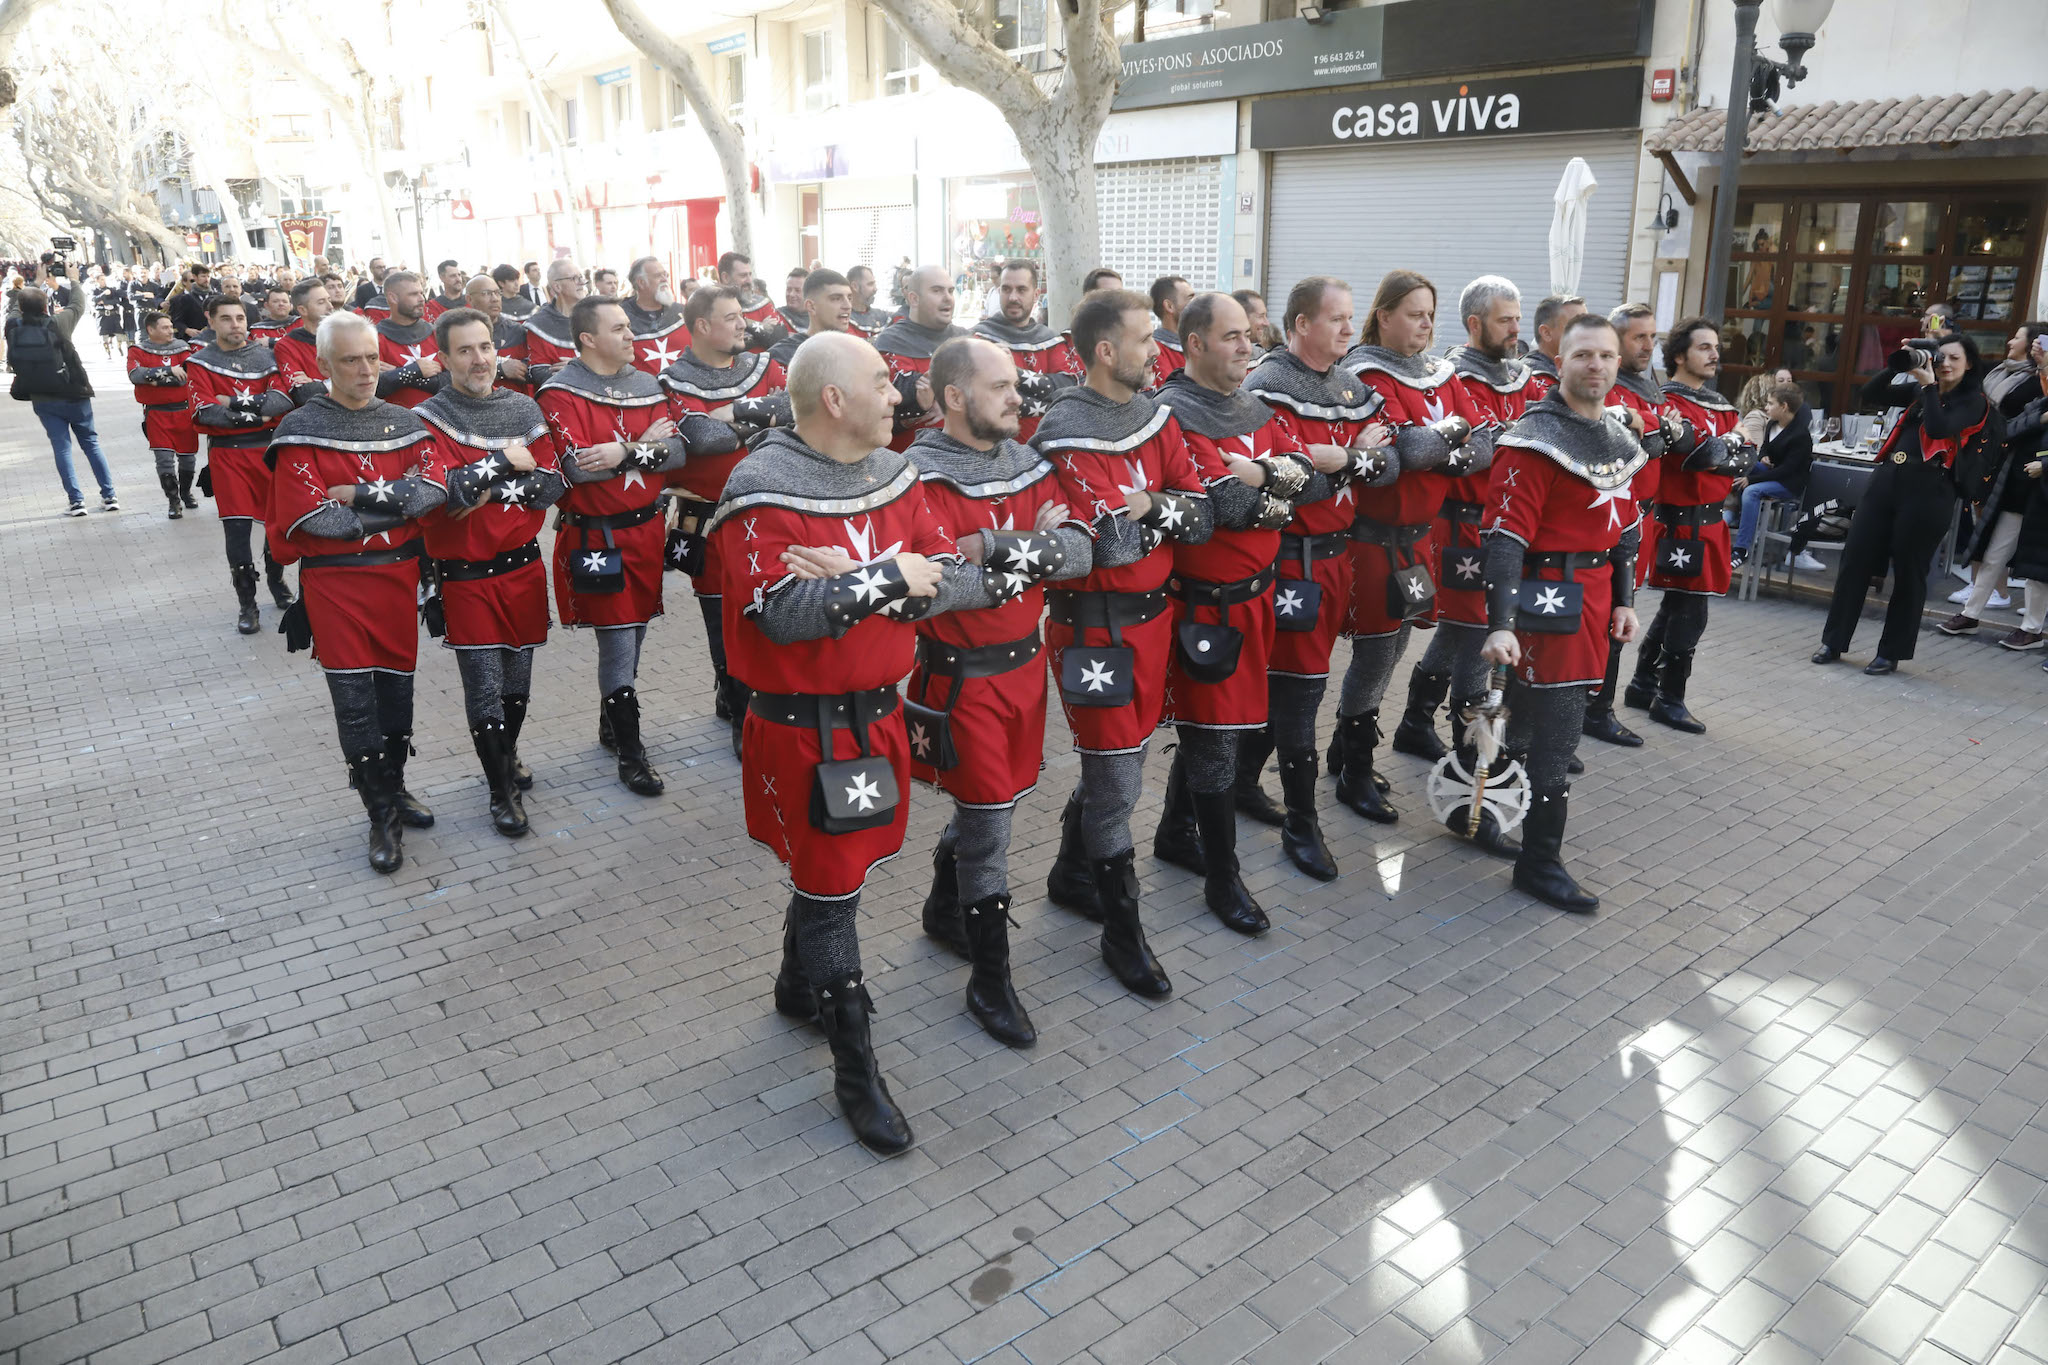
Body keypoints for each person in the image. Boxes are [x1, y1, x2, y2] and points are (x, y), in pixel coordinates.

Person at [708, 331, 990, 1152]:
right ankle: (855, 1066)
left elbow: (951, 577)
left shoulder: (896, 473)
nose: (899, 396)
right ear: (834, 399)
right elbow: (783, 614)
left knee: (836, 877)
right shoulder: (759, 487)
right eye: (880, 383)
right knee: (833, 886)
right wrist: (886, 577)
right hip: (803, 730)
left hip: (877, 714)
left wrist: (865, 582)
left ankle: (798, 984)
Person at [906, 336, 1090, 1044]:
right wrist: (1029, 549)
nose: (1020, 396)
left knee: (999, 803)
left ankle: (942, 905)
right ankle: (990, 980)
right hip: (963, 678)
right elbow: (938, 586)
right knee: (991, 827)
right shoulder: (917, 475)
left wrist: (996, 545)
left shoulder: (1029, 460)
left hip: (1024, 668)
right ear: (955, 398)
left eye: (1017, 384)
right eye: (1002, 386)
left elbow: (1079, 550)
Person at [1034, 288, 1212, 999]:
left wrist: (1150, 509)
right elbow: (1100, 550)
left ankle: (1071, 874)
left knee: (1126, 759)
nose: (1158, 351)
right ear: (1106, 351)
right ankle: (1122, 927)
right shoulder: (1059, 432)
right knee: (1116, 777)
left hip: (1154, 619)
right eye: (1145, 339)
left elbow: (1198, 514)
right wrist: (1146, 519)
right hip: (1093, 627)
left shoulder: (1158, 417)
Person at [1153, 294, 1328, 933]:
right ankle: (1224, 878)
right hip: (1206, 607)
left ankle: (1175, 831)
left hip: (1257, 596)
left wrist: (1259, 473)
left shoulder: (1251, 407)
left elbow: (1315, 480)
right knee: (1216, 736)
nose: (1247, 348)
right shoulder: (1173, 413)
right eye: (1231, 337)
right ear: (1194, 342)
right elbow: (1222, 507)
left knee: (1218, 729)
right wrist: (1276, 478)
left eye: (1248, 335)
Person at [1479, 313, 1648, 912]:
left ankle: (1487, 815)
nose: (1595, 365)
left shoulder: (1622, 440)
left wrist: (1626, 601)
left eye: (1605, 355)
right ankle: (1540, 863)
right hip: (1545, 601)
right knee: (1554, 734)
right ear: (1559, 362)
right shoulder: (1534, 439)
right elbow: (1504, 537)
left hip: (1597, 600)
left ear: (1617, 363)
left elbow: (1625, 531)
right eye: (1583, 355)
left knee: (1530, 724)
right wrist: (1500, 622)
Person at [266, 311, 445, 873]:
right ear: (322, 365)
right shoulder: (299, 431)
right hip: (337, 584)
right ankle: (379, 814)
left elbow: (433, 492)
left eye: (373, 357)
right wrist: (394, 498)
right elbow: (315, 521)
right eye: (350, 360)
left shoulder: (406, 421)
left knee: (397, 696)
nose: (367, 370)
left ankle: (394, 786)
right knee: (355, 704)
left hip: (398, 579)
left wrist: (361, 494)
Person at [1238, 276, 1393, 880]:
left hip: (1336, 556)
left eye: (1352, 319)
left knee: (1300, 686)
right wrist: (1347, 460)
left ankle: (1243, 784)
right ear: (1301, 324)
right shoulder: (1266, 386)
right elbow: (1287, 479)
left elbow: (1388, 463)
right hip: (1287, 557)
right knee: (1299, 693)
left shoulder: (1351, 385)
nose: (1350, 331)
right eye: (1337, 320)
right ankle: (1302, 825)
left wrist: (1346, 460)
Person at [1331, 270, 1479, 823]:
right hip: (1370, 541)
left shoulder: (1439, 373)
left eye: (1430, 314)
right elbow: (1405, 450)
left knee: (1396, 648)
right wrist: (1453, 435)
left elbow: (1481, 442)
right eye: (1414, 313)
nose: (1425, 324)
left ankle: (1345, 749)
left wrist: (1446, 441)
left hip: (1417, 542)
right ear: (1385, 314)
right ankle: (1353, 770)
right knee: (1373, 653)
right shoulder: (1363, 375)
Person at [418, 307, 567, 835]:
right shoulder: (427, 418)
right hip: (464, 575)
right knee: (484, 689)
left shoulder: (523, 408)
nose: (480, 359)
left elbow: (551, 486)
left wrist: (480, 484)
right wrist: (507, 462)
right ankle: (500, 790)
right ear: (443, 359)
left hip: (522, 569)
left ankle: (508, 753)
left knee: (516, 687)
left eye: (485, 347)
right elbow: (443, 495)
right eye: (465, 350)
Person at [1391, 277, 1528, 836]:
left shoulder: (1522, 376)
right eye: (1505, 320)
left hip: (1501, 525)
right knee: (1472, 632)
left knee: (1459, 629)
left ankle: (1414, 720)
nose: (1515, 330)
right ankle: (1472, 754)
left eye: (1518, 319)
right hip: (1463, 527)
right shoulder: (1454, 375)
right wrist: (1486, 443)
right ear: (1474, 324)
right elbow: (1468, 449)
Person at [537, 295, 689, 793]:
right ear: (588, 338)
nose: (632, 336)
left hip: (646, 531)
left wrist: (626, 449)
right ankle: (631, 752)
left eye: (630, 328)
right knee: (619, 641)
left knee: (636, 632)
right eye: (620, 328)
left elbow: (677, 452)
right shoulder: (559, 394)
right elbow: (577, 465)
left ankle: (611, 719)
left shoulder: (647, 384)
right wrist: (647, 447)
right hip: (597, 535)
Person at [1814, 332, 1999, 673]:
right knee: (1855, 559)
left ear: (1969, 364)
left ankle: (1891, 652)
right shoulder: (1920, 388)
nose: (1944, 364)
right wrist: (1902, 361)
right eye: (1940, 357)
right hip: (1887, 480)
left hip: (1930, 490)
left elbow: (1940, 427)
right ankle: (1834, 641)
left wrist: (1929, 386)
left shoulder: (1975, 402)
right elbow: (1869, 393)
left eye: (1954, 358)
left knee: (1909, 572)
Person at [658, 286, 794, 734]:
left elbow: (793, 409)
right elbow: (701, 439)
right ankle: (739, 712)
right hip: (710, 520)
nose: (744, 325)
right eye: (733, 317)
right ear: (702, 326)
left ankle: (758, 701)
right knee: (722, 619)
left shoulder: (762, 363)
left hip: (771, 513)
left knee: (772, 607)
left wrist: (732, 411)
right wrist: (758, 426)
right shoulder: (675, 379)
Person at [1625, 318, 1749, 726]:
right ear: (1680, 355)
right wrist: (1731, 445)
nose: (1715, 355)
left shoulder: (1721, 406)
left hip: (1711, 523)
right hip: (1679, 522)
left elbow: (1740, 463)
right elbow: (1706, 456)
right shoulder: (1668, 404)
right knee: (1690, 612)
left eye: (1716, 347)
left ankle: (1644, 684)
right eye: (1704, 347)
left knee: (1677, 606)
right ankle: (1670, 698)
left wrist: (1727, 449)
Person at [190, 295, 297, 630]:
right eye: (226, 319)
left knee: (276, 524)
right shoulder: (199, 362)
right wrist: (258, 414)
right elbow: (205, 411)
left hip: (269, 451)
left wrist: (234, 404)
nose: (235, 325)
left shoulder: (267, 357)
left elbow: (282, 400)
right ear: (212, 321)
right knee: (236, 532)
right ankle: (246, 603)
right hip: (228, 455)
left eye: (239, 318)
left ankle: (276, 580)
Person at [9, 274, 119, 517]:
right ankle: (109, 495)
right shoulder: (57, 324)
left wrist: (35, 283)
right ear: (46, 305)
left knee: (61, 447)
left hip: (41, 396)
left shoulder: (13, 325)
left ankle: (76, 501)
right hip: (73, 392)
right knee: (90, 443)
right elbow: (78, 304)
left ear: (20, 306)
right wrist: (73, 279)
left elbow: (19, 307)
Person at [971, 259, 1082, 443]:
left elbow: (1067, 388)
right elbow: (984, 399)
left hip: (1048, 445)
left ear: (1036, 294)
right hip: (993, 448)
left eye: (1021, 290)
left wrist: (1014, 373)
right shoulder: (978, 340)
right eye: (1006, 289)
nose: (1013, 297)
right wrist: (1046, 402)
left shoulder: (1051, 340)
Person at [871, 266, 966, 453]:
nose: (947, 297)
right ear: (914, 299)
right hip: (907, 460)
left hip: (963, 456)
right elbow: (891, 398)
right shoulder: (890, 343)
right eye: (937, 290)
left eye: (950, 290)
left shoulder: (968, 341)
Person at [1730, 383, 1814, 565]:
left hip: (1788, 483)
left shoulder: (1800, 436)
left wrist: (1751, 479)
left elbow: (1787, 471)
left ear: (1784, 407)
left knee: (1751, 491)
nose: (1766, 407)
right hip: (1772, 473)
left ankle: (1741, 549)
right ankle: (1738, 514)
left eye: (1770, 403)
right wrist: (1763, 456)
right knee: (1742, 465)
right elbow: (1764, 449)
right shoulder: (1772, 424)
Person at [128, 309, 200, 518]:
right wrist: (169, 372)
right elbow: (135, 374)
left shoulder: (182, 348)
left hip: (184, 412)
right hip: (157, 414)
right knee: (164, 460)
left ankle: (186, 492)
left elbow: (188, 375)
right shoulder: (138, 350)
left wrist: (153, 380)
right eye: (165, 327)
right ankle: (173, 500)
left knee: (187, 459)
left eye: (171, 327)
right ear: (151, 329)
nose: (171, 331)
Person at [371, 271, 448, 409]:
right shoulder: (375, 339)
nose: (422, 298)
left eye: (421, 292)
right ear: (393, 298)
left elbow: (452, 380)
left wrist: (400, 373)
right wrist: (415, 370)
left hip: (442, 416)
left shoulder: (436, 332)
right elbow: (375, 387)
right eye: (413, 294)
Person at [767, 268, 855, 370]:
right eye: (836, 298)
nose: (847, 306)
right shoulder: (781, 356)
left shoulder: (856, 351)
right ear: (811, 306)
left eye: (849, 298)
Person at [457, 274, 530, 392]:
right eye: (486, 293)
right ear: (469, 299)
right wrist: (500, 370)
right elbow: (451, 374)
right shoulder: (459, 333)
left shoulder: (517, 331)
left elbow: (533, 367)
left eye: (497, 293)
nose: (495, 298)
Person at [520, 258, 585, 386]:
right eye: (574, 278)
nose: (581, 282)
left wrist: (579, 367)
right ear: (557, 286)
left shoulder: (598, 316)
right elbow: (538, 371)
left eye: (581, 277)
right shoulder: (539, 324)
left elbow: (613, 359)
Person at [274, 277, 336, 406]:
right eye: (321, 302)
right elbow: (303, 394)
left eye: (329, 300)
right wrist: (345, 381)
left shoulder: (346, 335)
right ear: (303, 310)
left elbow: (369, 378)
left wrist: (318, 383)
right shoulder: (286, 346)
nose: (330, 306)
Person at [622, 255, 687, 375]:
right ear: (641, 283)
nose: (664, 279)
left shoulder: (682, 313)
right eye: (658, 276)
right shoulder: (622, 317)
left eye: (665, 275)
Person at [1525, 295, 1585, 400]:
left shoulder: (1592, 372)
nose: (1587, 333)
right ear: (1546, 333)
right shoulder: (1525, 379)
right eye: (1575, 326)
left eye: (1588, 325)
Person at [1146, 275, 1191, 388]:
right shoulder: (1151, 352)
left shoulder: (1203, 349)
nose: (1197, 305)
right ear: (1169, 306)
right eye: (1190, 299)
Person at [717, 251, 779, 331]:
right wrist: (762, 328)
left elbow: (777, 337)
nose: (749, 281)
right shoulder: (713, 309)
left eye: (750, 274)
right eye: (743, 276)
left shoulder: (763, 305)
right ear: (725, 278)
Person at [169, 264, 212, 340]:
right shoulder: (184, 299)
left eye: (208, 276)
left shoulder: (216, 296)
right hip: (194, 340)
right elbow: (177, 321)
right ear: (195, 277)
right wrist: (187, 330)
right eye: (203, 276)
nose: (206, 279)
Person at [846, 264, 890, 336]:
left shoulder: (882, 316)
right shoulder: (844, 320)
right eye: (870, 284)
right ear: (855, 286)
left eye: (874, 284)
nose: (875, 289)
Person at [776, 267, 809, 336]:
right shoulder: (776, 316)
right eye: (789, 289)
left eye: (797, 290)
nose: (791, 294)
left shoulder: (818, 319)